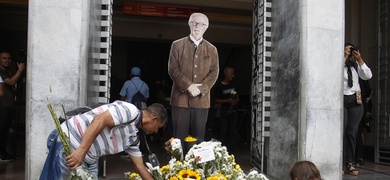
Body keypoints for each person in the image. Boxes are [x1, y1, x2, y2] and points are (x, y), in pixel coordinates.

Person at [39, 101, 168, 180]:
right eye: (158, 128)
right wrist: (81, 151)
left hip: (88, 158)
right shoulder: (130, 111)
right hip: (70, 143)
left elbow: (139, 167)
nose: (156, 132)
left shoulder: (133, 138)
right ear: (154, 119)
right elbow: (100, 120)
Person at [168, 12, 219, 145]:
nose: (197, 26)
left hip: (202, 100)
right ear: (189, 24)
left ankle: (196, 165)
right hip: (180, 99)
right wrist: (189, 86)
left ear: (206, 27)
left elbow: (214, 72)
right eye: (194, 23)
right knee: (178, 138)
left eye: (201, 24)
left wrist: (201, 88)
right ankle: (179, 165)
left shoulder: (212, 49)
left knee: (199, 138)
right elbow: (173, 69)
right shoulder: (177, 45)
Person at [343, 43, 372, 176]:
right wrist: (344, 57)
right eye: (348, 49)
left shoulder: (356, 65)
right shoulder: (339, 64)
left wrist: (360, 59)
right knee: (340, 131)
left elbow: (368, 76)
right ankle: (339, 162)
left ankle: (349, 163)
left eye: (352, 49)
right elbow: (332, 76)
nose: (350, 52)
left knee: (351, 132)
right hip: (341, 100)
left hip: (355, 100)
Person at [0, 51, 25, 162]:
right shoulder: (1, 72)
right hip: (3, 106)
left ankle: (3, 152)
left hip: (9, 106)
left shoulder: (8, 72)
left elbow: (13, 86)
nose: (7, 60)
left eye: (9, 58)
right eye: (4, 58)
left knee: (5, 131)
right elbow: (10, 82)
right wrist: (20, 70)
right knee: (2, 130)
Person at [214, 67, 239, 153]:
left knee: (233, 131)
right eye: (231, 74)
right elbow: (215, 100)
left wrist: (235, 101)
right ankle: (221, 150)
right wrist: (226, 101)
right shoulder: (219, 86)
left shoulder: (234, 84)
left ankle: (232, 150)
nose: (233, 75)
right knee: (223, 131)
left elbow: (237, 97)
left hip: (233, 111)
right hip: (223, 110)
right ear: (226, 74)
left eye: (233, 74)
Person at [355, 78, 372, 166]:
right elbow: (369, 91)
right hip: (360, 106)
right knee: (358, 131)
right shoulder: (361, 76)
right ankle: (359, 157)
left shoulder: (361, 74)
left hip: (357, 105)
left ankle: (356, 157)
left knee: (355, 131)